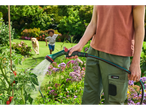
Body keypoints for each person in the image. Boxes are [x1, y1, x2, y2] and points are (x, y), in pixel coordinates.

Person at [66, 5, 145, 105]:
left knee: (113, 101)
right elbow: (94, 23)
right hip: (94, 53)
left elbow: (139, 27)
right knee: (89, 99)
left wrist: (136, 62)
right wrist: (80, 45)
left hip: (117, 57)